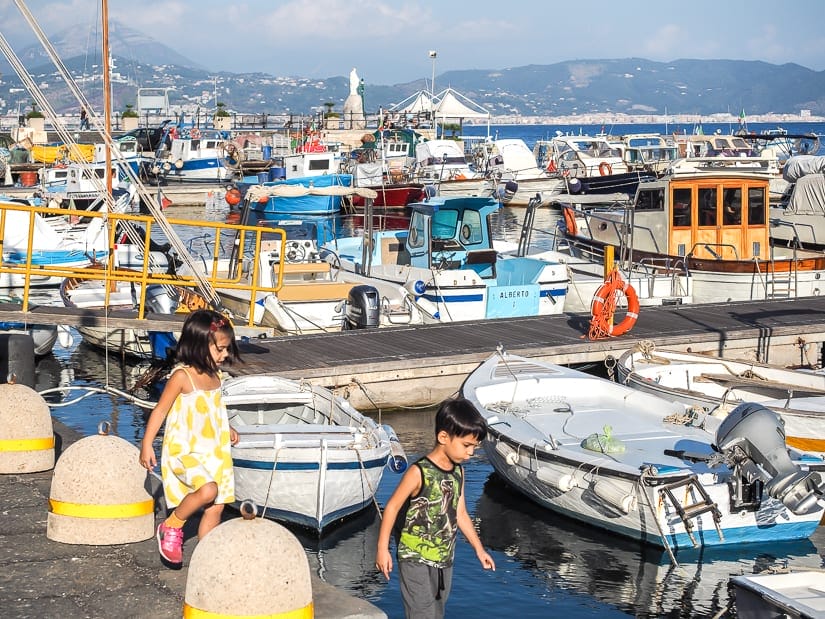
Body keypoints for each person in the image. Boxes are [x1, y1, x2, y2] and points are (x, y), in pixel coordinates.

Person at [375, 397, 495, 618]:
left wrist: (479, 550)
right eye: (466, 445)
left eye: (475, 447)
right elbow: (391, 508)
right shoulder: (418, 472)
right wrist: (383, 549)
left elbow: (460, 514)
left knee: (436, 613)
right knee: (422, 614)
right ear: (443, 437)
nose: (471, 453)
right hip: (414, 557)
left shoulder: (458, 472)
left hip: (444, 559)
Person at [139, 309, 241, 566]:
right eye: (220, 349)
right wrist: (147, 443)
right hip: (186, 450)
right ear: (198, 346)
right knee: (207, 490)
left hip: (214, 451)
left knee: (216, 506)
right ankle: (172, 526)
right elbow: (160, 409)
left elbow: (213, 409)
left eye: (227, 349)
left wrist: (225, 428)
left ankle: (208, 556)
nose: (225, 355)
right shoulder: (182, 377)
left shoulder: (215, 377)